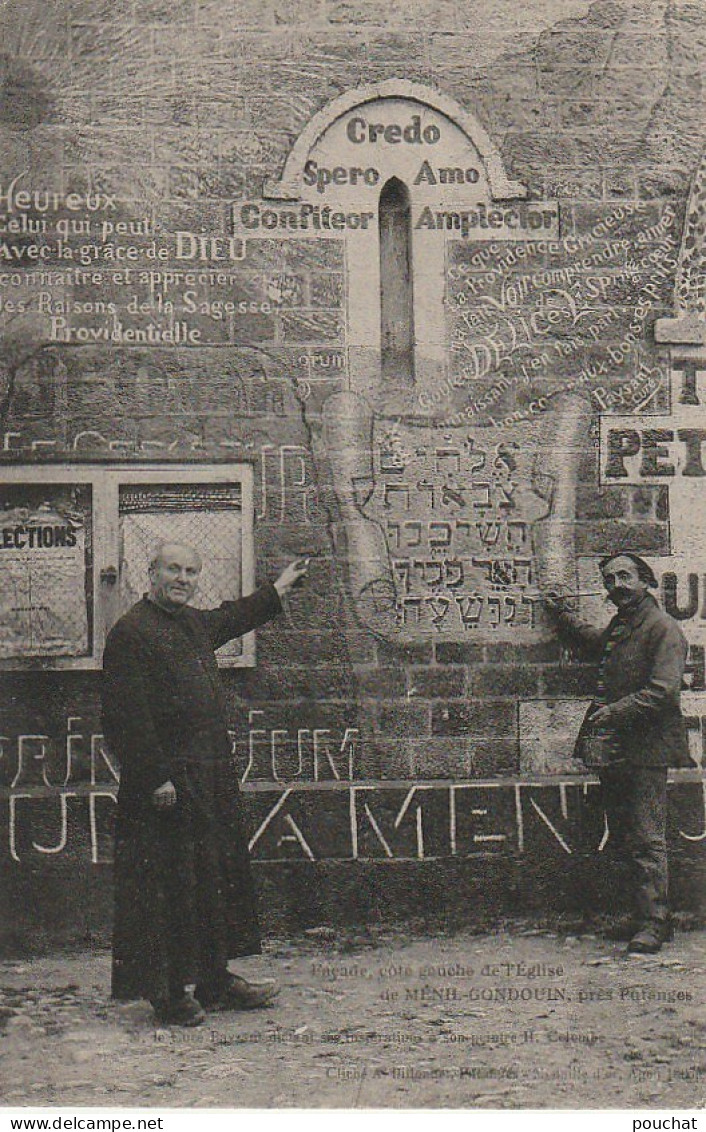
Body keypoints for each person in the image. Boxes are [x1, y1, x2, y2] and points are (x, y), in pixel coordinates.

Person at [102, 541, 309, 1025]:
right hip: (163, 787)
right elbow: (124, 716)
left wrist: (277, 588)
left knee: (212, 878)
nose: (183, 578)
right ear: (149, 573)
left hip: (206, 780)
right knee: (167, 887)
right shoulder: (131, 633)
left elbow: (232, 617)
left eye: (191, 571)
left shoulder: (193, 624)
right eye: (173, 569)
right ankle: (169, 994)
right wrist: (156, 777)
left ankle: (215, 981)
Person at [543, 552, 692, 954]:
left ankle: (655, 923)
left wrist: (613, 712)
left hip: (648, 749)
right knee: (625, 834)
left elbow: (663, 691)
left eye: (624, 576)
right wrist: (561, 613)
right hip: (618, 749)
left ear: (646, 580)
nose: (616, 585)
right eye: (609, 579)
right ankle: (638, 915)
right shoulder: (623, 625)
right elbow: (594, 641)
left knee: (647, 838)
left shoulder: (663, 628)